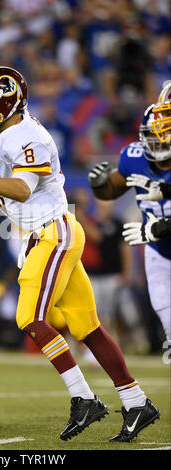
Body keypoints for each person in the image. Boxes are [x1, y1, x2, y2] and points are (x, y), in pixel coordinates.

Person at [0, 37, 160, 443]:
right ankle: (136, 402)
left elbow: (22, 190)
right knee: (88, 327)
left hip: (52, 231)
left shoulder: (28, 137)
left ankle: (84, 399)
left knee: (29, 317)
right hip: (47, 232)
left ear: (9, 105)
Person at [88, 97, 171, 350]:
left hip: (156, 235)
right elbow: (113, 189)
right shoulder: (133, 156)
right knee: (164, 309)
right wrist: (102, 186)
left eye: (162, 136)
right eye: (152, 136)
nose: (156, 143)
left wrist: (157, 227)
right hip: (160, 251)